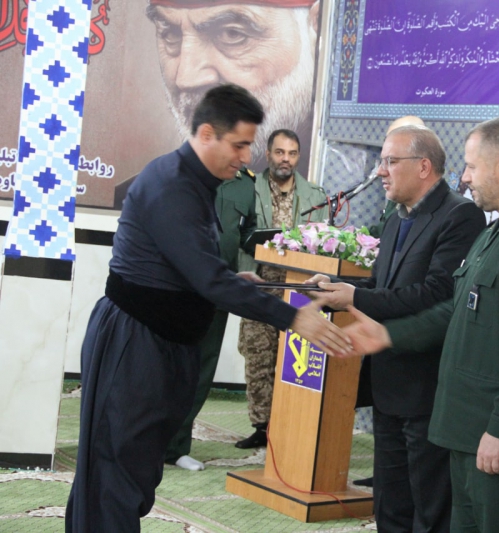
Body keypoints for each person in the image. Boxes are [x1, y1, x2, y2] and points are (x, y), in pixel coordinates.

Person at [65, 84, 349, 532]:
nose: (245, 157)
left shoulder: (197, 183)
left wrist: (236, 280)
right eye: (238, 145)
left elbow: (191, 268)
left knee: (134, 473)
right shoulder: (171, 186)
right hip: (134, 345)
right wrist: (294, 318)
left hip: (161, 344)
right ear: (205, 134)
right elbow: (207, 280)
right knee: (114, 477)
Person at [336, 117, 499, 532]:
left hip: (491, 433)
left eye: (471, 167)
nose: (464, 178)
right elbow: (456, 311)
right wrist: (389, 334)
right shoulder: (494, 234)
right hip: (463, 428)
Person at [308, 125, 486, 532]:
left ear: (423, 167)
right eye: (380, 161)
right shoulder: (394, 218)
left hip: (426, 390)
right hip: (388, 388)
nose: (380, 171)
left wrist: (354, 298)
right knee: (389, 507)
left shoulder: (460, 215)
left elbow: (437, 294)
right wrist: (338, 289)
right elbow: (382, 287)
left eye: (390, 161)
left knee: (429, 510)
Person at [114, 0, 321, 208]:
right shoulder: (142, 198)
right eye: (171, 35)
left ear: (317, 26)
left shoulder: (331, 203)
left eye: (232, 34)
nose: (185, 78)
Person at [234, 128, 328, 449]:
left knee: (296, 362)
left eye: (291, 153)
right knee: (258, 357)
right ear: (268, 154)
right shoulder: (249, 189)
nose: (285, 159)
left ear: (298, 157)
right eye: (279, 152)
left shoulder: (316, 195)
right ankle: (262, 426)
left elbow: (324, 242)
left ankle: (292, 425)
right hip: (259, 286)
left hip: (298, 290)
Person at [164, 165, 258, 470]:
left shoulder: (246, 184)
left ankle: (176, 447)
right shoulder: (185, 171)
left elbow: (246, 232)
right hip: (180, 289)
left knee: (201, 371)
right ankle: (145, 439)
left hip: (218, 291)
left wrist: (274, 242)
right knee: (164, 367)